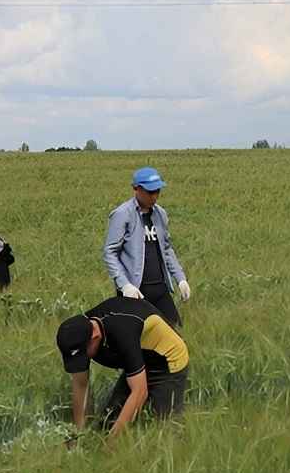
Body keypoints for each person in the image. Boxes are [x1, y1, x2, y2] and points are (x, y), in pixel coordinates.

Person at [55, 295, 190, 439]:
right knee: (106, 425)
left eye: (83, 354)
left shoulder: (122, 330)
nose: (82, 360)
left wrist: (112, 442)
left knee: (163, 430)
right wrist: (79, 434)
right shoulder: (78, 335)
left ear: (95, 337)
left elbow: (139, 391)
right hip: (139, 357)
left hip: (167, 362)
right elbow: (81, 384)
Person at [103, 167, 191, 326]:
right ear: (137, 189)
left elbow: (166, 248)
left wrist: (180, 279)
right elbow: (110, 253)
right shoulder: (122, 214)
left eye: (157, 191)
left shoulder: (160, 214)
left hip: (160, 288)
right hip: (135, 291)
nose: (155, 196)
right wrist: (124, 285)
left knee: (176, 331)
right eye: (151, 192)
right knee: (139, 340)